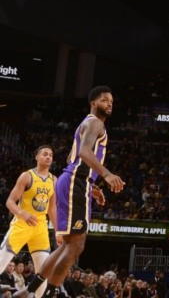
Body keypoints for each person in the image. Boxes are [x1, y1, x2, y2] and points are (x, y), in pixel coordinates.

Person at [13, 86, 125, 298]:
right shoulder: (95, 122)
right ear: (93, 103)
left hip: (75, 181)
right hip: (75, 182)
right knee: (76, 245)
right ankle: (50, 294)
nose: (109, 103)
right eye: (104, 100)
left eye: (111, 100)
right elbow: (83, 152)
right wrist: (107, 175)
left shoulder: (89, 123)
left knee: (68, 245)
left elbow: (70, 159)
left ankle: (30, 290)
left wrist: (91, 186)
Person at [0, 145, 59, 298]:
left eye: (51, 155)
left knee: (43, 272)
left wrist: (58, 231)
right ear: (37, 157)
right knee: (1, 263)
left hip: (40, 228)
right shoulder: (27, 176)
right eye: (45, 154)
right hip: (21, 225)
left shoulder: (54, 180)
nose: (48, 157)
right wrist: (22, 213)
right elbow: (10, 202)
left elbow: (52, 209)